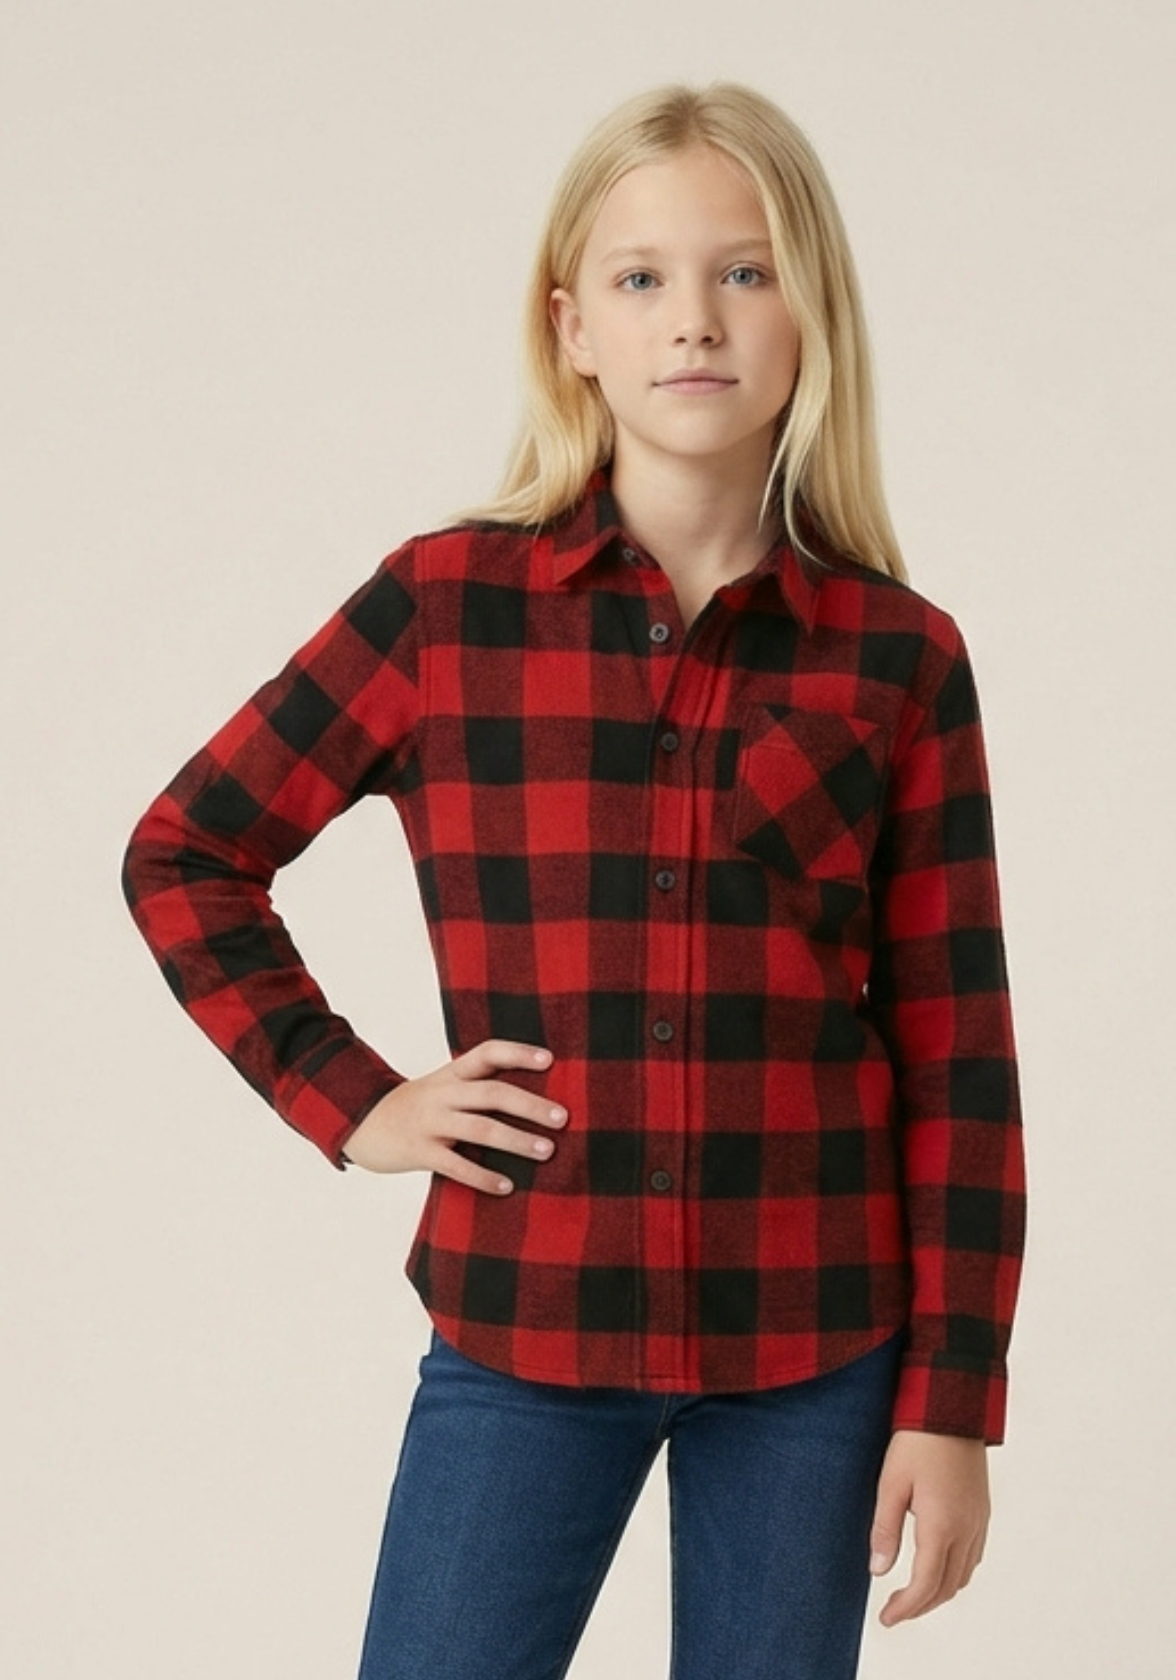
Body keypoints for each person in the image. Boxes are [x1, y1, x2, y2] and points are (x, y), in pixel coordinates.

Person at [121, 80, 1026, 1680]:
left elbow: (960, 1053)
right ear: (573, 329)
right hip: (526, 1319)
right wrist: (359, 1099)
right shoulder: (444, 607)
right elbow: (187, 853)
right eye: (642, 279)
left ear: (811, 315)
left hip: (815, 1348)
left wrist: (952, 1402)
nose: (696, 320)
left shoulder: (900, 655)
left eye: (745, 272)